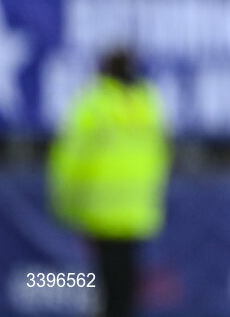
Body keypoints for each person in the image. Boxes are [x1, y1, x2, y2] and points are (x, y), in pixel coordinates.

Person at [48, 49, 170, 317]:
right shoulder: (147, 103)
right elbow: (160, 156)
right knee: (127, 282)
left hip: (99, 210)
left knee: (106, 283)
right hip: (138, 210)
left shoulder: (93, 103)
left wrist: (64, 201)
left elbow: (71, 157)